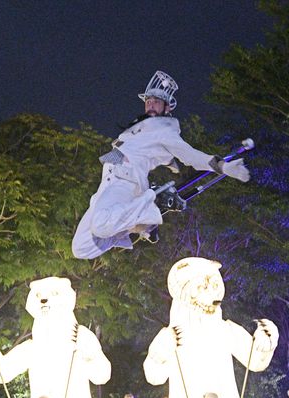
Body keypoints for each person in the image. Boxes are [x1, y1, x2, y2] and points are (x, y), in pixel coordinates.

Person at [71, 71, 251, 258]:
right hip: (106, 184)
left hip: (126, 182)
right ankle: (137, 225)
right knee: (80, 248)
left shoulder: (165, 131)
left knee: (101, 225)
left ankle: (150, 203)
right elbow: (139, 153)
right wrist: (170, 162)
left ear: (167, 107)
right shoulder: (138, 129)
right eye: (148, 101)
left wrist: (223, 167)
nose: (150, 104)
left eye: (156, 101)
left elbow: (190, 155)